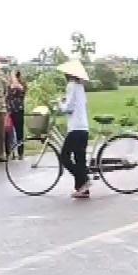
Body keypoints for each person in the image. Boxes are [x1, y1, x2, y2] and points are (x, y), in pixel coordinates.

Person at [57, 58, 91, 198]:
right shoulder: (80, 86)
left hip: (75, 128)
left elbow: (69, 108)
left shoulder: (71, 85)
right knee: (79, 159)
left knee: (64, 157)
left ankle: (84, 180)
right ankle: (81, 189)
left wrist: (60, 104)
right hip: (84, 127)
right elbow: (78, 104)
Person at [7, 70, 27, 159]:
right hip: (10, 111)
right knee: (9, 132)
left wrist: (14, 78)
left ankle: (20, 152)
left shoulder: (21, 86)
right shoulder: (9, 85)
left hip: (19, 110)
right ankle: (11, 152)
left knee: (19, 132)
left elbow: (19, 88)